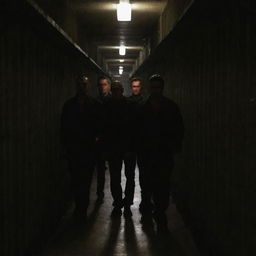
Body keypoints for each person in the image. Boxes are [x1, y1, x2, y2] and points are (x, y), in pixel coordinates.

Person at [137, 74, 184, 233]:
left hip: (163, 154)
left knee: (162, 185)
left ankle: (160, 212)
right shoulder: (143, 107)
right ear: (150, 88)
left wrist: (174, 146)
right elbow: (135, 131)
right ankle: (149, 207)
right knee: (147, 183)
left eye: (158, 87)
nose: (155, 90)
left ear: (161, 88)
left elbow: (179, 129)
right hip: (147, 154)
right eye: (153, 87)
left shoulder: (171, 107)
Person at [60, 75, 100, 223]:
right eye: (80, 84)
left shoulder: (93, 105)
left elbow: (99, 125)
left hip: (88, 149)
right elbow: (64, 128)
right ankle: (79, 207)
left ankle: (82, 209)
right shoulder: (69, 105)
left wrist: (97, 140)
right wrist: (65, 147)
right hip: (74, 149)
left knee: (86, 180)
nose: (82, 87)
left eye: (84, 84)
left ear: (88, 86)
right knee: (76, 180)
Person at [104, 81, 131, 217]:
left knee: (129, 177)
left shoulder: (129, 105)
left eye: (117, 90)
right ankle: (119, 203)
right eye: (113, 90)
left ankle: (126, 204)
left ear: (121, 90)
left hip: (126, 147)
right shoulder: (108, 106)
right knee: (115, 178)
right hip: (114, 148)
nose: (115, 92)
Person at [123, 77, 144, 217]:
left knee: (144, 175)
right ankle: (128, 203)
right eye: (134, 86)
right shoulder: (128, 102)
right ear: (131, 87)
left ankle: (145, 202)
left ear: (140, 87)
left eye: (137, 86)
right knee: (130, 176)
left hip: (142, 144)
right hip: (131, 144)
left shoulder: (145, 103)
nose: (135, 88)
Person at [95, 76, 112, 201]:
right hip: (100, 140)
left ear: (109, 86)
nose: (102, 87)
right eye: (100, 85)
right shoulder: (95, 102)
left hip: (111, 140)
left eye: (104, 84)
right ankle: (100, 193)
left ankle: (115, 197)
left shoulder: (113, 101)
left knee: (114, 170)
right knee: (100, 169)